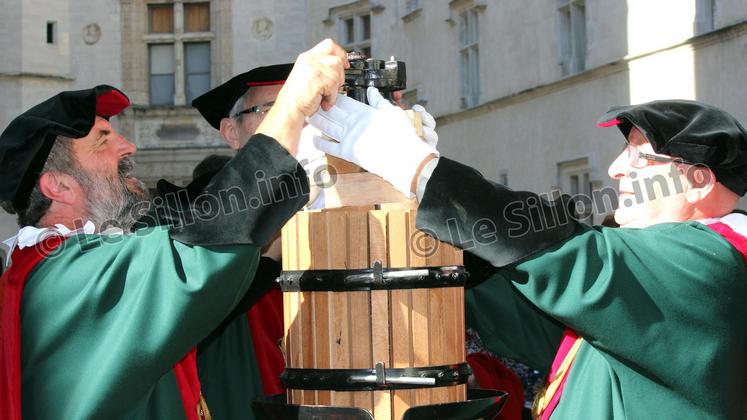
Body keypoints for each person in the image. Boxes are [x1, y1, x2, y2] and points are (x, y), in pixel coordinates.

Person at [309, 88, 747, 419]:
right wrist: (408, 181)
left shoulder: (711, 258)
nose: (617, 170)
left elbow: (568, 251)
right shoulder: (660, 270)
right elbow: (517, 295)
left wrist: (417, 165)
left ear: (700, 181)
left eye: (642, 158)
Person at [0, 38, 349, 420]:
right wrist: (292, 108)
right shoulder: (69, 273)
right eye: (103, 141)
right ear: (59, 186)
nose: (128, 147)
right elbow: (200, 249)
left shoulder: (59, 263)